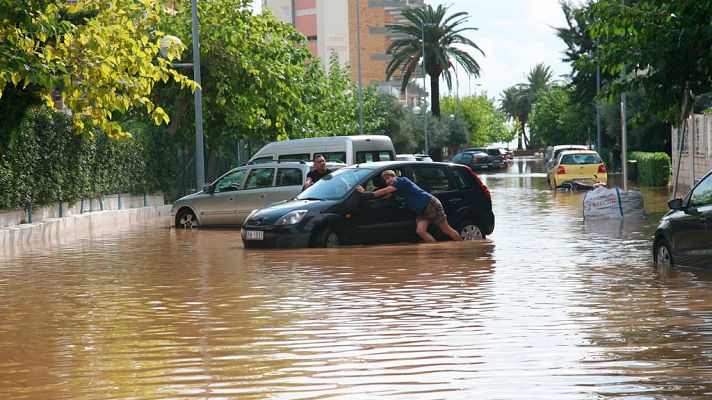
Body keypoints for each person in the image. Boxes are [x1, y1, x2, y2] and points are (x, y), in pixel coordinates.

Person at [356, 170, 462, 243]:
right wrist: (367, 195)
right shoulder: (395, 189)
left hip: (430, 204)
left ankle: (462, 245)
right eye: (386, 180)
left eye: (389, 178)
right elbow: (384, 196)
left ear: (395, 176)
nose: (388, 181)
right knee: (420, 231)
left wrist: (365, 195)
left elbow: (383, 191)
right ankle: (434, 249)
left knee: (445, 229)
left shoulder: (401, 181)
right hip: (421, 210)